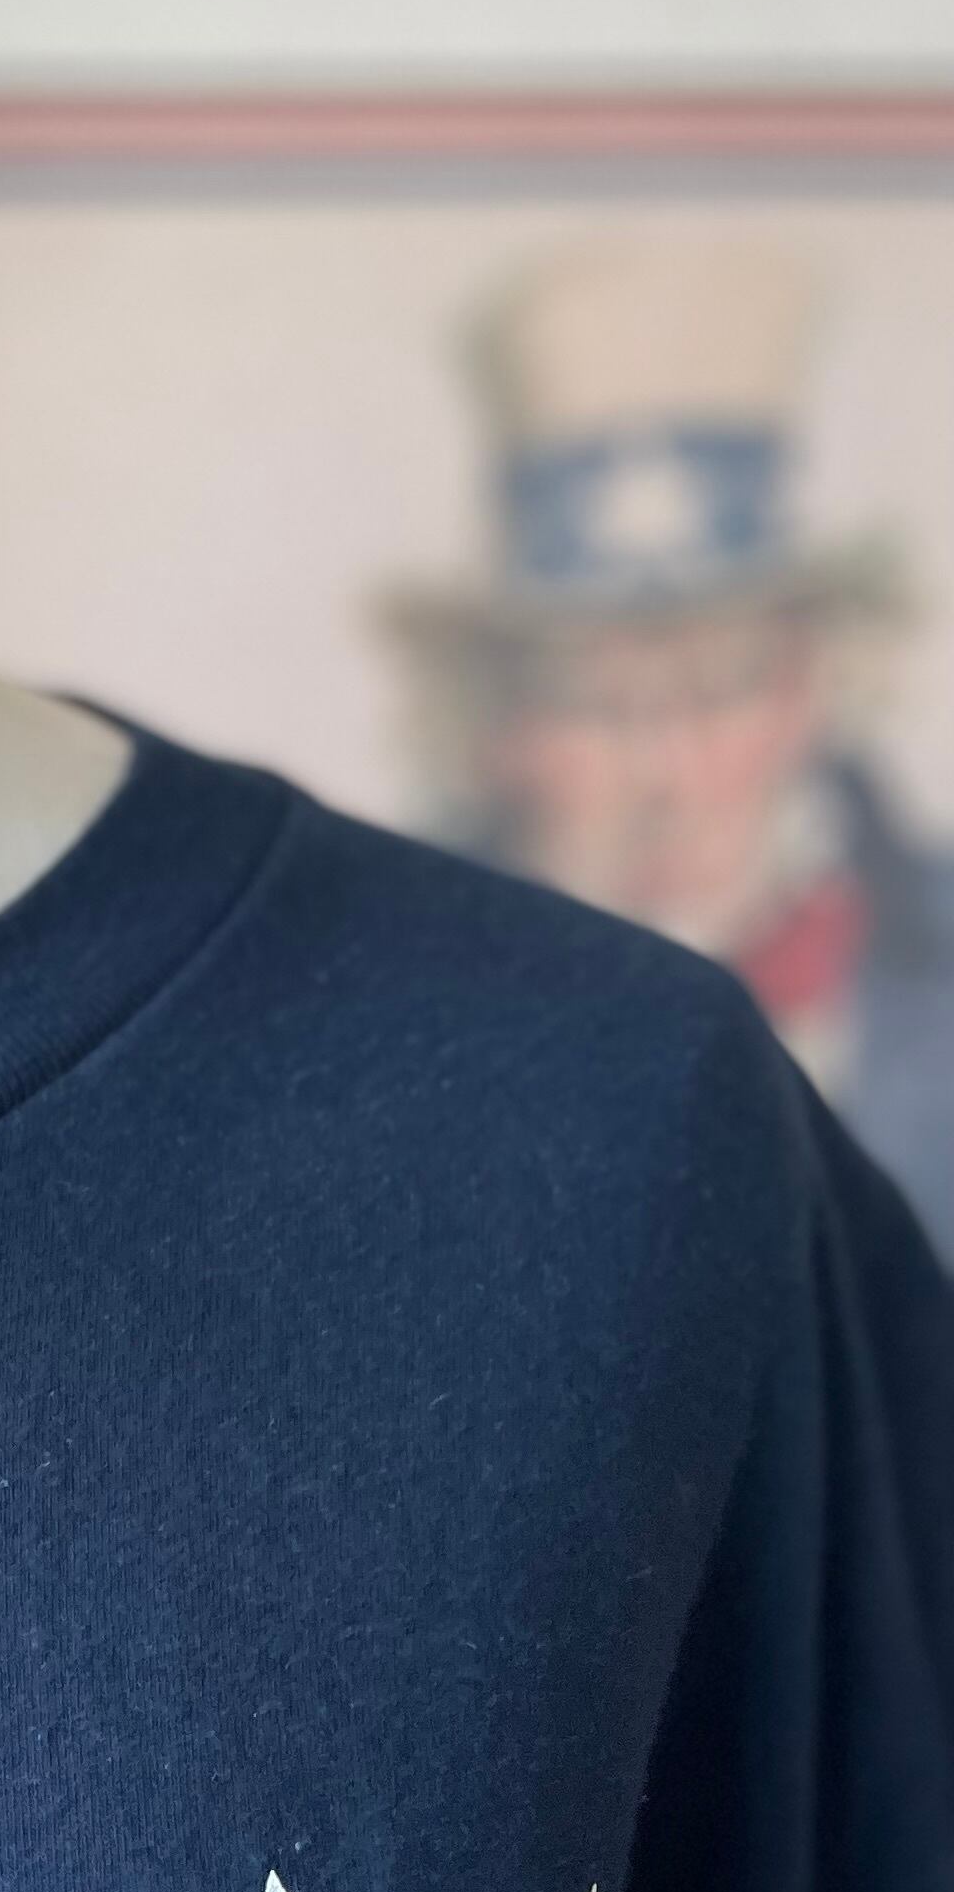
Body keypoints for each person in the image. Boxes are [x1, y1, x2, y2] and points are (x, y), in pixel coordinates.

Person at [394, 231, 954, 1261]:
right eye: (596, 703)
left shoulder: (932, 948)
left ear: (808, 690)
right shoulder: (391, 988)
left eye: (719, 689)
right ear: (500, 728)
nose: (664, 769)